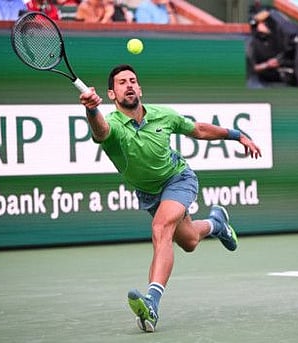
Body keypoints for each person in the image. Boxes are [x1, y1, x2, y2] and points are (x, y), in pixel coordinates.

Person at [79, 64, 262, 332]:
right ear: (111, 94)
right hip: (150, 194)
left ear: (140, 88)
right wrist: (91, 109)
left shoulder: (163, 115)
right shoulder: (113, 124)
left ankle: (152, 302)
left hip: (179, 179)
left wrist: (237, 135)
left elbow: (198, 130)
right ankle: (217, 224)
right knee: (188, 241)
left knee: (161, 228)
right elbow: (100, 131)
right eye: (121, 82)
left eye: (133, 80)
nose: (129, 85)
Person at [245, 10, 296, 88]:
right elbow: (250, 68)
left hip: (279, 78)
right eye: (264, 23)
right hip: (259, 80)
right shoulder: (252, 42)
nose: (268, 25)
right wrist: (267, 65)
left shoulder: (275, 37)